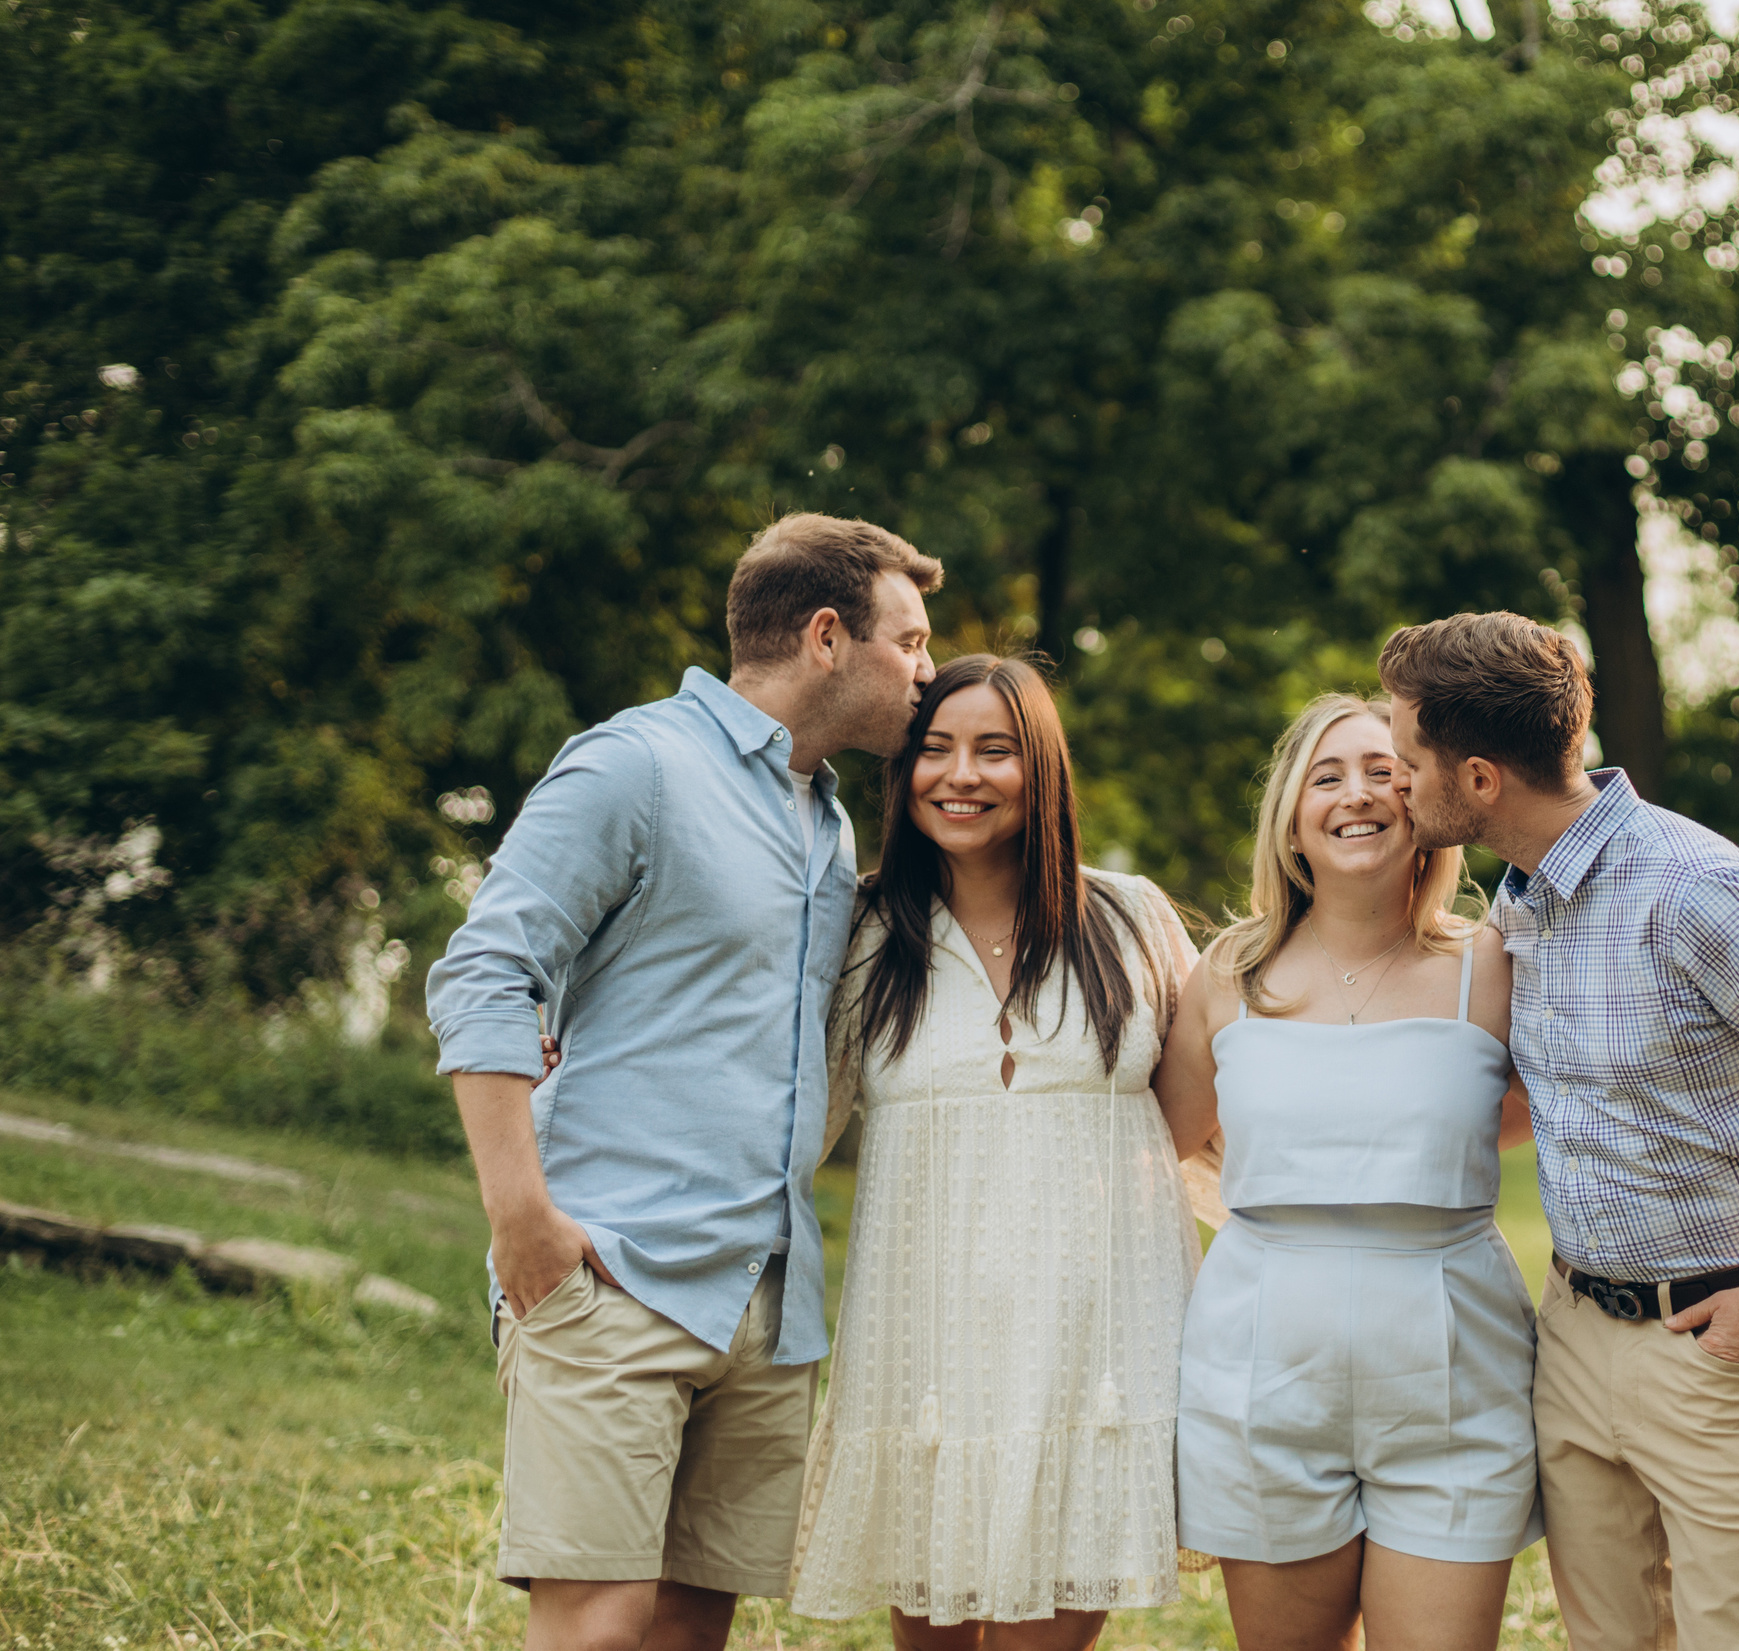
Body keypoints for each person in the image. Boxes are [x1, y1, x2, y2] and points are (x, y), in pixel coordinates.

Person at [425, 514, 941, 1651]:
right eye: (909, 641)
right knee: (599, 1630)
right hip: (616, 1268)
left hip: (764, 1295)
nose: (927, 672)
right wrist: (524, 1222)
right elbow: (485, 972)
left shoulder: (823, 813)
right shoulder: (638, 763)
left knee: (686, 1633)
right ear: (824, 636)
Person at [1377, 613, 1739, 1651]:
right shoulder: (1521, 907)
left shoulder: (1699, 891)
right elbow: (1527, 1106)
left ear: (1481, 779)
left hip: (1725, 1347)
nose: (1395, 785)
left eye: (1410, 760)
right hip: (1577, 1337)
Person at [792, 654, 1199, 1649]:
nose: (959, 774)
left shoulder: (1129, 917)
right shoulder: (861, 925)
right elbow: (788, 1109)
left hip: (1094, 1344)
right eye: (933, 750)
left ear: (1042, 769)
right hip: (925, 1341)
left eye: (994, 750)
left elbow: (1208, 1117)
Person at [1153, 694, 1541, 1651]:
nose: (1358, 794)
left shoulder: (1493, 966)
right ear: (1291, 817)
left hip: (1457, 1379)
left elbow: (1579, 1107)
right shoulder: (1228, 974)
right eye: (1327, 776)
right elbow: (1149, 1143)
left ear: (1427, 804)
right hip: (1262, 1375)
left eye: (1385, 770)